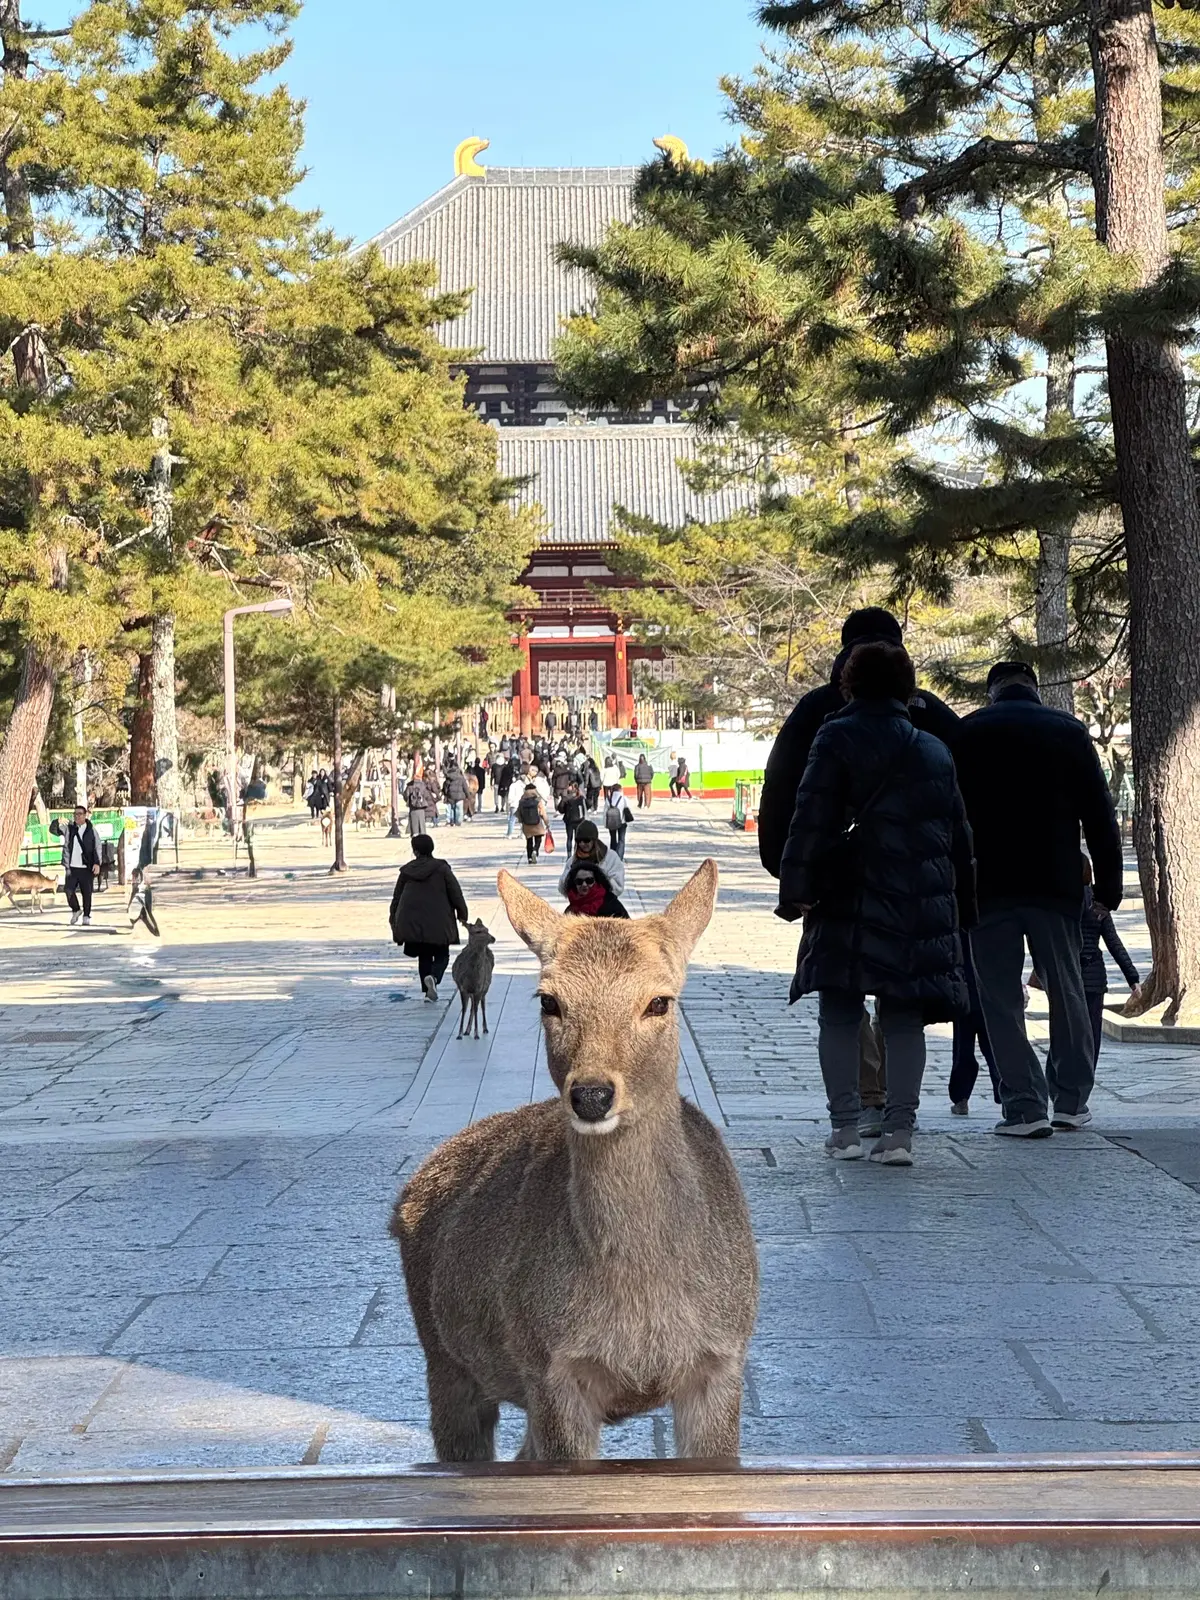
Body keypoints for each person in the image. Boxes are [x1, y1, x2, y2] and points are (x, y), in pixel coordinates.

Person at [759, 607, 961, 1134]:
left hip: (839, 885)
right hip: (916, 890)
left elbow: (789, 795)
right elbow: (964, 812)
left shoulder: (820, 717)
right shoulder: (932, 723)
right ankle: (899, 1125)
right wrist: (964, 895)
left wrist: (789, 873)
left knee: (842, 1007)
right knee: (903, 1010)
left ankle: (852, 1119)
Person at [954, 662, 1124, 1137]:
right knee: (1068, 991)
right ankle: (1070, 1100)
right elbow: (1099, 815)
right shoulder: (1068, 731)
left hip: (987, 886)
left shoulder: (967, 734)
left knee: (1001, 999)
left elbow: (951, 815)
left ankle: (1024, 1106)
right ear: (1034, 688)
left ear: (992, 692)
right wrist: (1107, 889)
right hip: (1055, 884)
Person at [1075, 852, 1140, 1070]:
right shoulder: (1098, 906)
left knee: (1069, 1031)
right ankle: (1088, 1075)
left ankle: (1069, 1078)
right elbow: (1114, 943)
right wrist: (1132, 978)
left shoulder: (1061, 907)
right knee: (1093, 1033)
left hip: (1068, 975)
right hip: (1094, 976)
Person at [389, 835, 470, 1000]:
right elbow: (456, 893)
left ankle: (427, 992)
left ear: (415, 851)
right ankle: (433, 977)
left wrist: (394, 919)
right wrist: (462, 914)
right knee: (442, 955)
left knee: (424, 955)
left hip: (413, 921)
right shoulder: (442, 868)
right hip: (440, 920)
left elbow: (396, 898)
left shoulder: (407, 871)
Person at [558, 818, 626, 899]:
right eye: (579, 841)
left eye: (586, 840)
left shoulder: (610, 857)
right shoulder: (573, 861)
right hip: (580, 906)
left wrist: (599, 880)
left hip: (604, 905)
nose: (582, 844)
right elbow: (562, 888)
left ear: (594, 840)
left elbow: (618, 886)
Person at [61, 804, 102, 926]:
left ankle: (86, 915)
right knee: (68, 890)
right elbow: (54, 830)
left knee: (87, 892)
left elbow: (97, 847)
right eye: (75, 814)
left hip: (86, 867)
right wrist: (56, 822)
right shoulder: (70, 829)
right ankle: (76, 909)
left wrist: (97, 863)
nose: (77, 816)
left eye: (80, 814)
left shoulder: (91, 830)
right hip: (72, 867)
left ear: (85, 815)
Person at [562, 859, 629, 919]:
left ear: (597, 881)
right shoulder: (571, 909)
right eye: (579, 881)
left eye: (589, 881)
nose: (584, 885)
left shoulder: (611, 904)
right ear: (574, 884)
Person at [517, 782, 548, 862]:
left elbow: (518, 813)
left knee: (529, 841)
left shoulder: (522, 801)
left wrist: (521, 821)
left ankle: (529, 858)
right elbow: (542, 813)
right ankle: (535, 850)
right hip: (537, 824)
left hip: (526, 824)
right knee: (538, 839)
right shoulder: (537, 800)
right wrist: (547, 823)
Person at [557, 780, 586, 856]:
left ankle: (569, 855)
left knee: (569, 838)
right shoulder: (581, 797)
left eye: (569, 786)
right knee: (578, 839)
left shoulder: (566, 798)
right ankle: (577, 854)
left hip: (569, 820)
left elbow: (560, 809)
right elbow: (587, 805)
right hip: (579, 820)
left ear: (572, 787)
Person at [604, 785, 633, 859]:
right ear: (620, 790)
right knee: (621, 840)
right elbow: (628, 809)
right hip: (622, 822)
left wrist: (605, 823)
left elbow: (605, 812)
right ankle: (620, 857)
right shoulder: (623, 798)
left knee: (613, 839)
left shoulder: (608, 799)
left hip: (611, 821)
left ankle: (613, 856)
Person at [404, 772, 434, 837]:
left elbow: (406, 796)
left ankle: (414, 833)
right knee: (421, 821)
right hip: (421, 807)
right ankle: (422, 833)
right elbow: (427, 795)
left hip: (413, 807)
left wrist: (409, 801)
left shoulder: (409, 786)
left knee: (413, 821)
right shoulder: (423, 785)